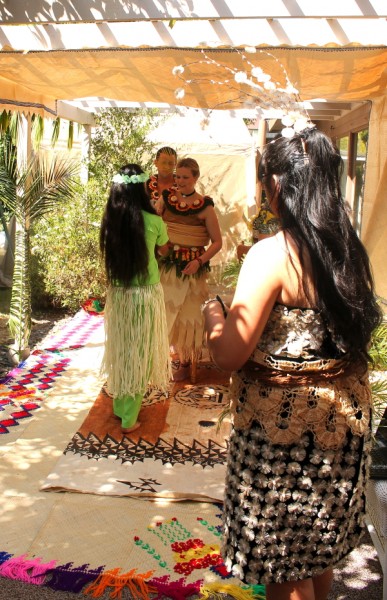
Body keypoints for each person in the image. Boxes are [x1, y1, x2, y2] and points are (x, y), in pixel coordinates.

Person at [202, 127, 382, 600]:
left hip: (282, 435)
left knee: (283, 565)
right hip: (340, 430)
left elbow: (229, 355)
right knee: (317, 552)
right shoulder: (348, 250)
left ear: (279, 184)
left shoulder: (273, 254)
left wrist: (213, 315)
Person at [100, 164, 171, 433]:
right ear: (142, 189)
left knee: (122, 351)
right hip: (145, 296)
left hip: (118, 296)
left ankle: (121, 408)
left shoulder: (111, 220)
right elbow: (163, 249)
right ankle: (130, 418)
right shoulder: (153, 221)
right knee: (139, 353)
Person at [158, 157, 222, 382]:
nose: (180, 180)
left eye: (185, 177)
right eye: (177, 176)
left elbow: (217, 242)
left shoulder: (205, 206)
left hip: (192, 269)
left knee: (188, 316)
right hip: (167, 266)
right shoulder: (166, 199)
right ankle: (165, 358)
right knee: (165, 313)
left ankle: (185, 362)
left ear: (196, 177)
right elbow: (154, 225)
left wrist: (199, 261)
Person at [146, 146, 177, 214]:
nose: (167, 167)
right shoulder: (146, 185)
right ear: (156, 163)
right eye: (163, 162)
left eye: (170, 163)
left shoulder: (182, 186)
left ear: (175, 164)